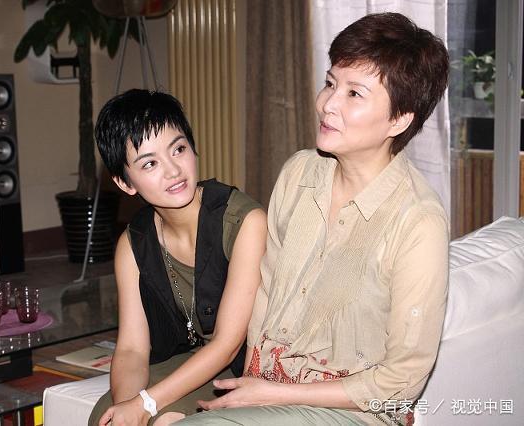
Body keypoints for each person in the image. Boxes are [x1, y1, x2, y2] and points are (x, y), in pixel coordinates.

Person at [176, 12, 450, 426]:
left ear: (399, 119)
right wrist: (250, 391)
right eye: (330, 83)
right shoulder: (299, 173)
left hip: (353, 412)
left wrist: (274, 395)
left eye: (354, 93)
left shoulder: (418, 222)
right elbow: (265, 295)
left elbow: (402, 382)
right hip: (267, 389)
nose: (327, 104)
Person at [88, 89, 267, 426]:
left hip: (248, 364)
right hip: (193, 358)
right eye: (150, 163)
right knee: (106, 417)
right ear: (125, 183)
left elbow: (228, 344)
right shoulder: (133, 244)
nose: (173, 170)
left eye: (178, 149)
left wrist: (146, 404)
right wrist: (128, 407)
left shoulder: (244, 222)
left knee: (166, 419)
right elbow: (132, 350)